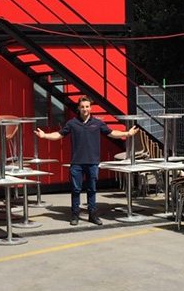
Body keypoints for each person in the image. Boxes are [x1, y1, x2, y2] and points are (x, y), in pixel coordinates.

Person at [35, 96, 139, 226]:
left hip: (92, 163)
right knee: (76, 190)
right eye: (82, 107)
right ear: (78, 108)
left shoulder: (98, 123)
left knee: (92, 189)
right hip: (77, 163)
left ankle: (92, 215)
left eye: (87, 106)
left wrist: (127, 134)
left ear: (90, 108)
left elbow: (111, 133)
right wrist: (44, 136)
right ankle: (75, 215)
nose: (85, 109)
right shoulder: (72, 123)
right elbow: (59, 134)